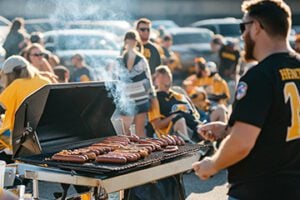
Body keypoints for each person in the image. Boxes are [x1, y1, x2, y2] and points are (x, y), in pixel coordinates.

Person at [192, 1, 300, 199]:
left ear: (257, 27)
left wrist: (212, 165)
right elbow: (279, 123)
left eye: (244, 27)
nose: (242, 35)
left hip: (258, 190)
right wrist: (227, 129)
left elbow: (242, 143)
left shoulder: (259, 76)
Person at [0, 56, 51, 163]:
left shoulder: (16, 84)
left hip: (20, 138)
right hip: (43, 135)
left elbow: (3, 105)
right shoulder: (45, 81)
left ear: (9, 74)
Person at [113, 30, 155, 137]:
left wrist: (152, 97)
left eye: (133, 40)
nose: (131, 43)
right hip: (126, 100)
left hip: (141, 99)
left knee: (140, 132)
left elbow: (148, 80)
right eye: (129, 40)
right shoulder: (118, 61)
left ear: (136, 42)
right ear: (125, 42)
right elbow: (115, 82)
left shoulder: (141, 60)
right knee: (125, 133)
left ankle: (144, 153)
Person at [148, 65, 201, 142]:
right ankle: (189, 147)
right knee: (180, 119)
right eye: (161, 74)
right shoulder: (155, 98)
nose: (165, 76)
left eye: (167, 74)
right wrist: (174, 116)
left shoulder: (180, 95)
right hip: (171, 134)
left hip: (195, 128)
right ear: (155, 81)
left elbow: (196, 116)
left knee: (220, 110)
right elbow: (157, 125)